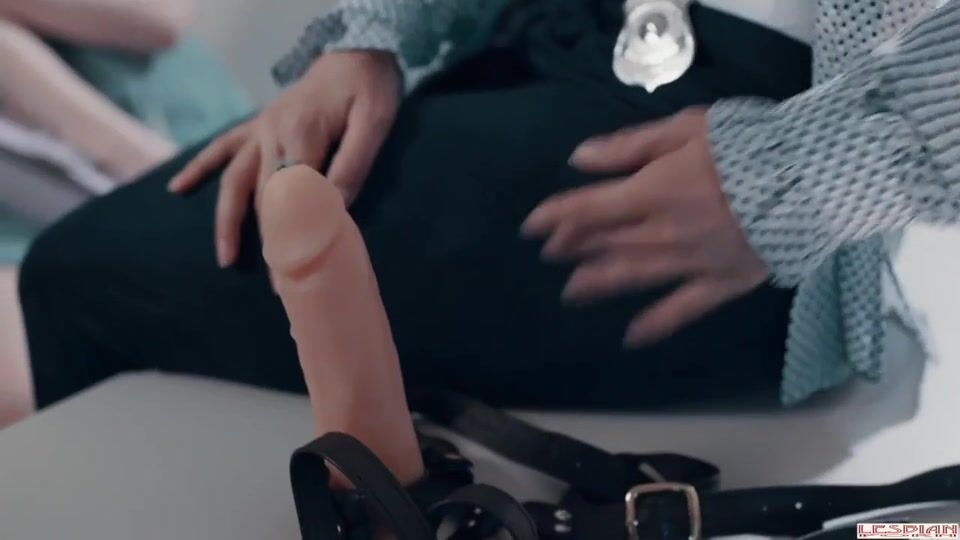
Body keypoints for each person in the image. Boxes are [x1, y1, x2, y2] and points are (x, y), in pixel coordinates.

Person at [13, 0, 960, 477]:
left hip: (713, 144)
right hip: (538, 49)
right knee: (89, 267)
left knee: (87, 277)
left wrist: (798, 175)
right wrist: (371, 36)